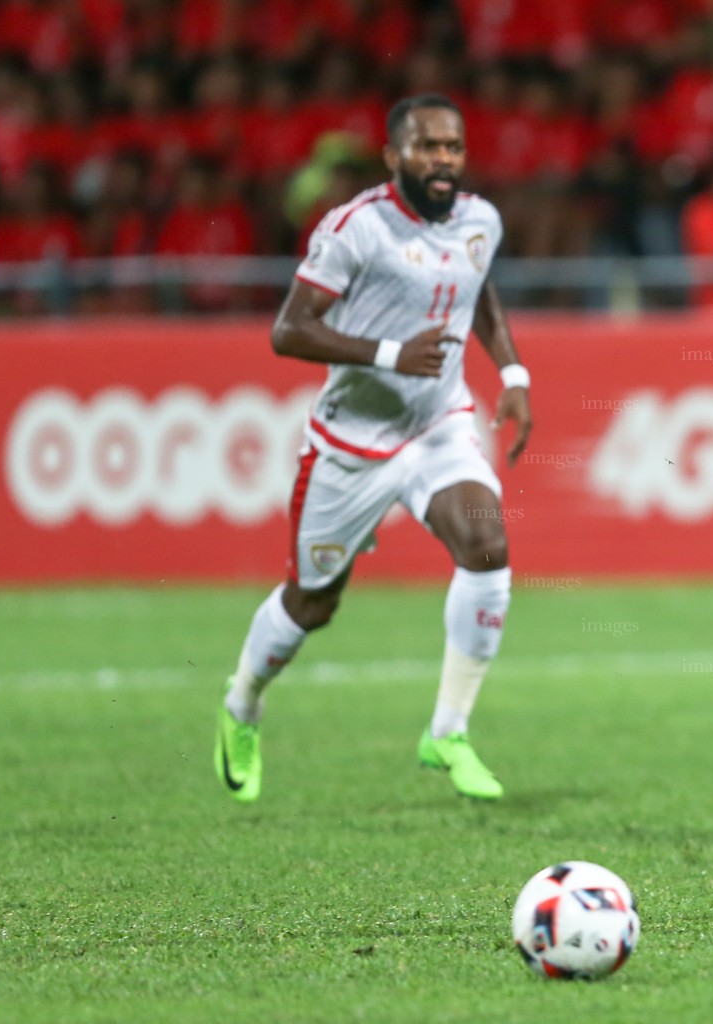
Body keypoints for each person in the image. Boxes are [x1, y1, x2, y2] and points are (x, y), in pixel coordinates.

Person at [213, 94, 532, 804]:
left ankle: (447, 730)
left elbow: (477, 287)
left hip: (437, 425)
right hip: (350, 442)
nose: (442, 159)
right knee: (312, 605)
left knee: (487, 548)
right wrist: (391, 352)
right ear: (394, 158)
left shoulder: (482, 219)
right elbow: (288, 330)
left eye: (452, 147)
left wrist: (511, 372)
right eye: (426, 147)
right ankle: (241, 706)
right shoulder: (356, 228)